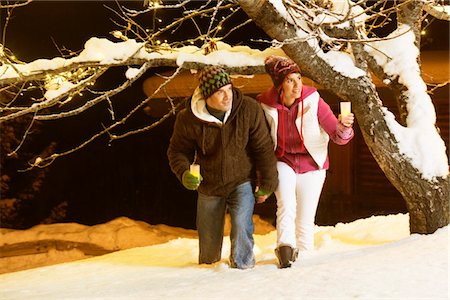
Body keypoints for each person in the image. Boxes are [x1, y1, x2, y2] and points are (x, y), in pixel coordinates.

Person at [167, 65, 278, 269]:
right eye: (220, 92)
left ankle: (243, 267)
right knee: (209, 247)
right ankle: (209, 274)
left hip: (241, 179)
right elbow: (177, 152)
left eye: (229, 89)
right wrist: (184, 173)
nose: (227, 96)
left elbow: (263, 148)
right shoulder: (188, 118)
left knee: (242, 225)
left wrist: (269, 182)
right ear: (207, 95)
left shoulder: (249, 109)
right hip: (209, 184)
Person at [257, 55, 355, 268]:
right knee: (286, 204)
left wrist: (344, 126)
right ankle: (284, 247)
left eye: (299, 78)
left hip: (313, 164)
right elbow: (260, 146)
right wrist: (261, 180)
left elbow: (338, 138)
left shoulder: (314, 101)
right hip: (282, 161)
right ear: (279, 84)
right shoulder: (265, 106)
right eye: (290, 80)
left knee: (305, 217)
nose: (297, 85)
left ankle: (305, 258)